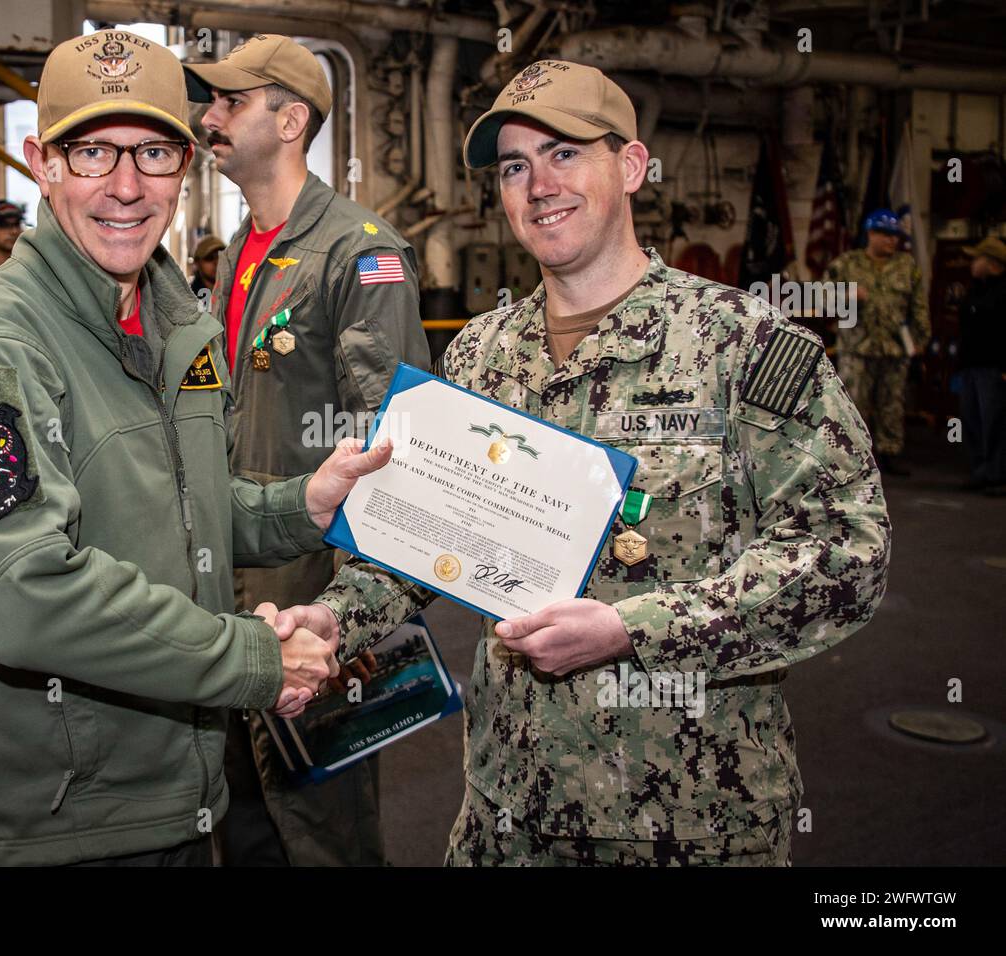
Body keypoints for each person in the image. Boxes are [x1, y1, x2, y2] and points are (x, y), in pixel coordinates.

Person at [271, 60, 891, 866]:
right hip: (507, 808)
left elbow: (847, 555)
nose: (539, 186)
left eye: (565, 154)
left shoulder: (744, 348)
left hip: (689, 818)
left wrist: (632, 633)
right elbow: (422, 542)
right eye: (515, 167)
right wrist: (334, 618)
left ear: (630, 167)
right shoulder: (482, 354)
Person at [0, 30, 392, 867]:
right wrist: (255, 658)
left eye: (154, 152)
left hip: (179, 798)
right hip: (63, 825)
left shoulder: (175, 321)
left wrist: (300, 508)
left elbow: (175, 503)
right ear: (41, 163)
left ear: (185, 165)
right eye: (93, 153)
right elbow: (27, 594)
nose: (126, 186)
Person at [185, 34, 430, 867]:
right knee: (239, 808)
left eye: (230, 102)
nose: (207, 117)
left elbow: (398, 447)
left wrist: (351, 612)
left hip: (311, 595)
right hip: (229, 573)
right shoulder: (242, 256)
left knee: (320, 817)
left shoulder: (359, 252)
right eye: (208, 102)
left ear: (291, 120)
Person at [825, 209, 931, 475]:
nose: (892, 241)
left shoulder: (907, 266)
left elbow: (918, 304)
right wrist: (848, 294)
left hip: (895, 347)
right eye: (886, 234)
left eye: (895, 236)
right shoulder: (847, 263)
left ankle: (889, 452)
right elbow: (819, 297)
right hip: (857, 347)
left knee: (892, 402)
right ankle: (850, 455)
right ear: (870, 234)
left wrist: (921, 338)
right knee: (852, 402)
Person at [957, 236, 1006, 495]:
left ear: (992, 262)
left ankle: (997, 475)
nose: (972, 263)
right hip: (971, 365)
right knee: (972, 420)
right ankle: (980, 471)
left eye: (977, 258)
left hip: (994, 367)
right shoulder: (976, 288)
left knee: (995, 423)